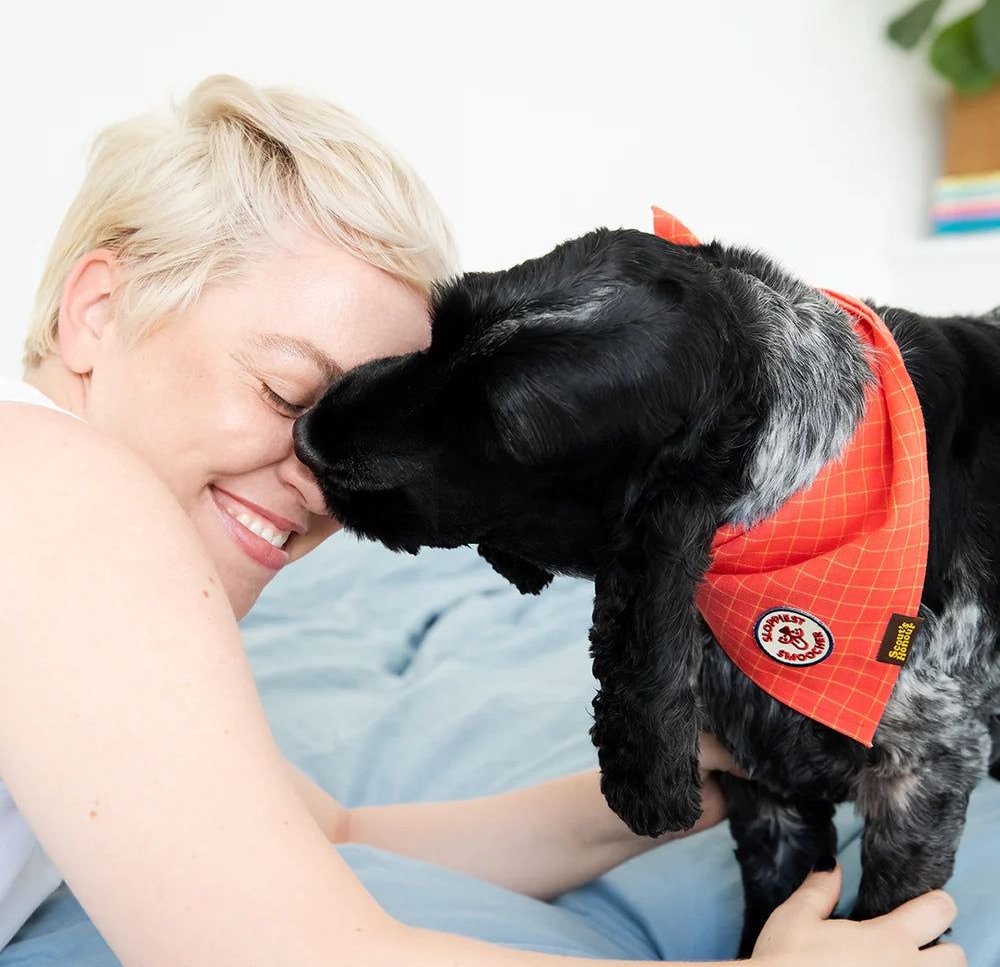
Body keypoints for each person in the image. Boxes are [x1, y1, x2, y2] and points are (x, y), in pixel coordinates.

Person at [0, 74, 963, 967]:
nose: (322, 483)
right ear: (96, 310)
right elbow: (287, 947)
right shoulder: (53, 477)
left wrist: (682, 783)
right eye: (283, 390)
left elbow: (334, 841)